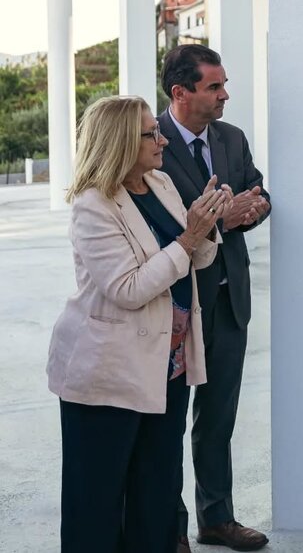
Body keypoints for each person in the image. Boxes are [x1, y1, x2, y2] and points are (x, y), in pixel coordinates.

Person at [47, 95, 228, 552]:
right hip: (110, 373)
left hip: (168, 367)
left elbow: (194, 258)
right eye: (151, 133)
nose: (162, 139)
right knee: (97, 501)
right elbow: (128, 288)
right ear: (121, 142)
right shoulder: (94, 205)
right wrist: (189, 236)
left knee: (156, 493)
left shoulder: (159, 182)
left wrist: (207, 224)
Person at [158, 44, 271, 552]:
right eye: (214, 87)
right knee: (166, 420)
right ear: (180, 92)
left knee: (218, 417)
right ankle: (169, 527)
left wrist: (255, 207)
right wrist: (217, 220)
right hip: (175, 303)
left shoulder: (232, 138)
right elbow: (153, 224)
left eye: (224, 85)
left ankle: (216, 519)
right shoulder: (150, 142)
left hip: (227, 301)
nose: (225, 95)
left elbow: (257, 191)